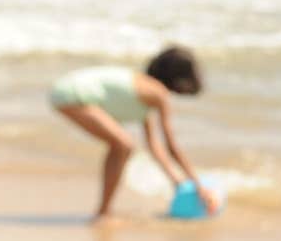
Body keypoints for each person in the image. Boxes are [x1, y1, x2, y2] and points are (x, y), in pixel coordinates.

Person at [48, 46, 220, 221]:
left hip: (66, 90)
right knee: (124, 145)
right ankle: (103, 213)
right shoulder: (157, 93)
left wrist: (178, 182)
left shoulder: (145, 91)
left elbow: (155, 146)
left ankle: (104, 211)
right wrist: (198, 185)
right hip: (73, 94)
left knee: (121, 145)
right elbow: (171, 146)